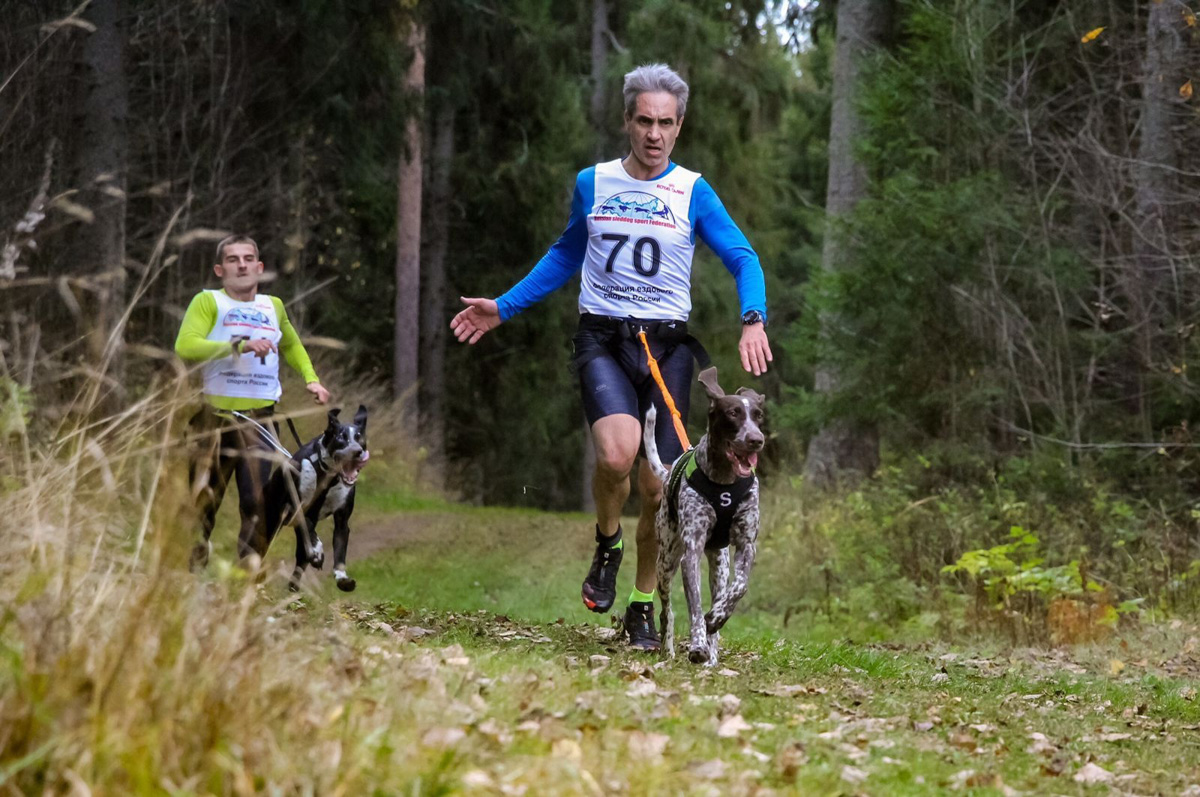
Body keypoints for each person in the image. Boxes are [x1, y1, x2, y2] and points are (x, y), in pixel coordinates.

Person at [450, 63, 771, 651]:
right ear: (627, 121)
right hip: (602, 337)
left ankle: (643, 606)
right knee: (618, 456)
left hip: (667, 346)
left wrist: (753, 317)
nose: (654, 134)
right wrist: (505, 306)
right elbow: (566, 251)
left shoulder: (692, 190)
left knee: (657, 487)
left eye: (666, 124)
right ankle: (607, 541)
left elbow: (743, 257)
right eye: (644, 121)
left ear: (679, 127)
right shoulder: (592, 182)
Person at [175, 234, 331, 569]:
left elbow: (290, 344)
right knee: (202, 501)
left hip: (260, 420)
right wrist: (240, 344)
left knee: (256, 502)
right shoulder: (209, 302)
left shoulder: (272, 306)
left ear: (259, 268)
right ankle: (193, 571)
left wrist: (311, 379)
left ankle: (249, 578)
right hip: (214, 418)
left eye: (248, 259)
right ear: (220, 269)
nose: (241, 265)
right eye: (233, 259)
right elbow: (186, 346)